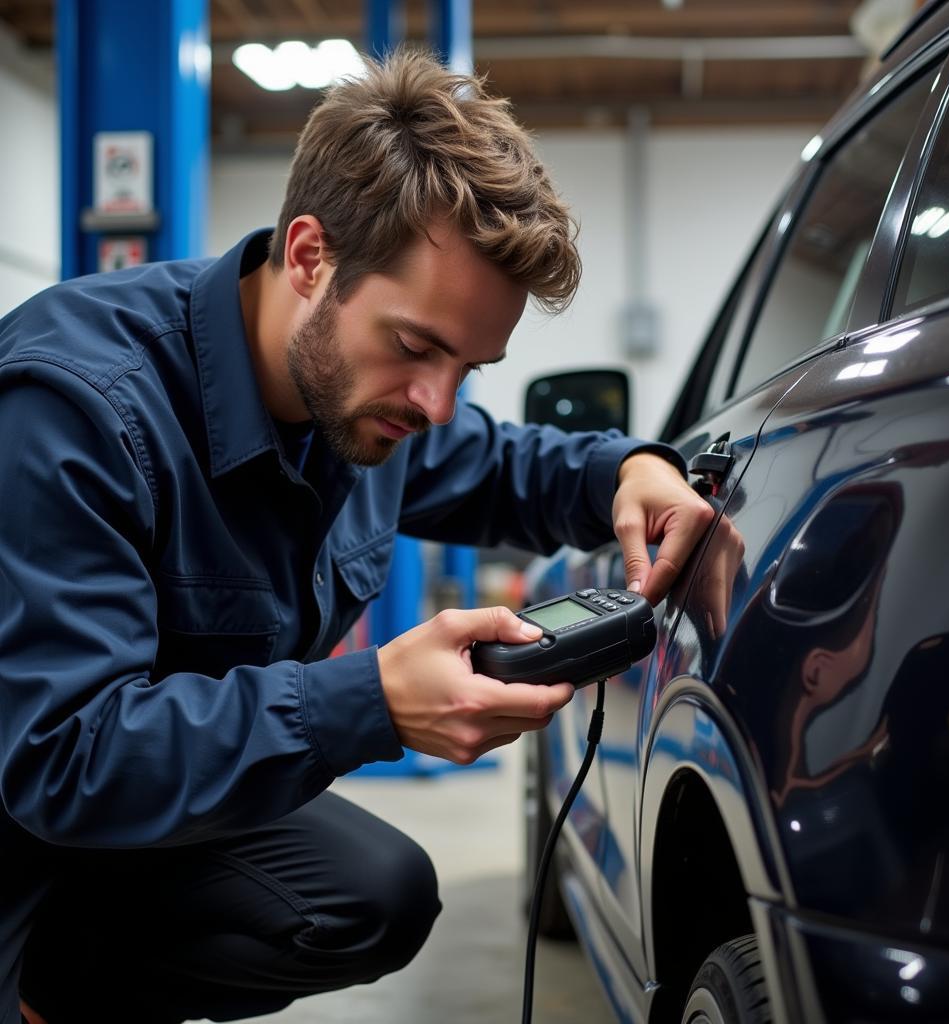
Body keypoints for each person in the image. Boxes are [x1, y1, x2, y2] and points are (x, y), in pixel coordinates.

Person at [0, 51, 711, 1024]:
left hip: (141, 805)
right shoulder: (75, 412)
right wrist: (368, 699)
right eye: (417, 345)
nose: (435, 401)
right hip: (25, 824)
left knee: (372, 893)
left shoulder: (365, 402)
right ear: (307, 256)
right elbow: (61, 759)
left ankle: (73, 984)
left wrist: (627, 469)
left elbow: (506, 464)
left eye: (469, 364)